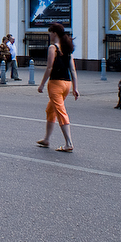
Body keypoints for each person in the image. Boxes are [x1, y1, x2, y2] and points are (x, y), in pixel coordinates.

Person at [37, 23, 79, 152]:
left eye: (50, 33)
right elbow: (73, 70)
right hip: (67, 84)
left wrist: (42, 84)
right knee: (51, 110)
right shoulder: (67, 48)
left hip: (55, 83)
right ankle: (46, 139)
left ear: (54, 33)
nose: (49, 35)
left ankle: (69, 143)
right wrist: (75, 88)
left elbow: (49, 67)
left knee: (60, 112)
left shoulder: (53, 48)